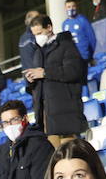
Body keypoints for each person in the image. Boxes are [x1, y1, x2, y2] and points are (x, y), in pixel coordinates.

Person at [25, 15, 88, 148]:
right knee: (54, 159)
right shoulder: (37, 52)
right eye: (35, 34)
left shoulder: (66, 45)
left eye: (40, 33)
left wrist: (45, 72)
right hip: (46, 115)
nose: (38, 37)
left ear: (49, 27)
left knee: (71, 152)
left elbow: (74, 71)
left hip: (65, 112)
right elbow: (39, 83)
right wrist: (31, 81)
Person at [17, 9, 42, 73]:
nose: (40, 19)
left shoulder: (22, 38)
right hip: (37, 73)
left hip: (28, 74)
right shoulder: (35, 36)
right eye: (38, 17)